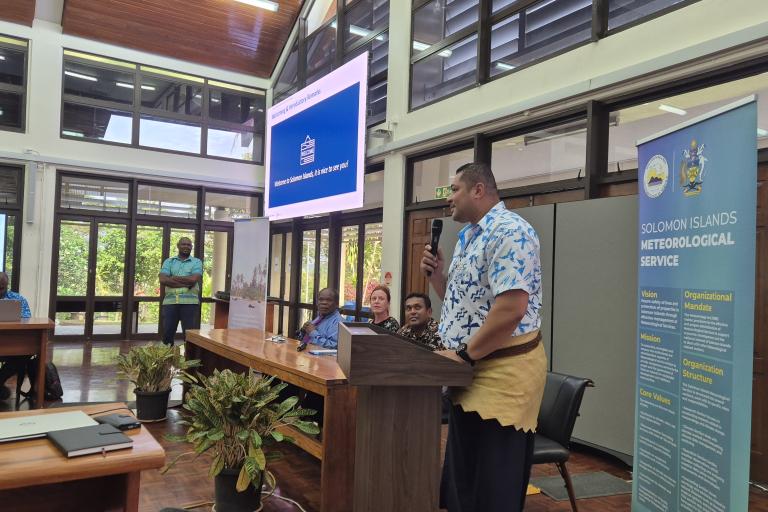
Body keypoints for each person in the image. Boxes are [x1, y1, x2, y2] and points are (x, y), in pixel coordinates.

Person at [421, 162, 547, 512]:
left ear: (478, 190)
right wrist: (437, 279)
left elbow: (511, 309)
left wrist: (464, 356)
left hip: (501, 376)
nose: (449, 199)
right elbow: (468, 307)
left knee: (491, 487)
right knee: (465, 482)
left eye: (454, 190)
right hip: (469, 370)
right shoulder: (468, 236)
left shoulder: (510, 231)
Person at [159, 237, 202, 346]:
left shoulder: (196, 262)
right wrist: (186, 283)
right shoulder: (169, 261)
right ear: (178, 246)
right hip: (170, 303)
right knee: (167, 334)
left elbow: (194, 280)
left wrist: (173, 278)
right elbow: (163, 279)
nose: (186, 246)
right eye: (183, 244)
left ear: (191, 247)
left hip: (190, 304)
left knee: (190, 335)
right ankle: (166, 360)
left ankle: (190, 360)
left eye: (188, 245)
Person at [0, 272, 31, 400]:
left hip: (12, 341)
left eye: (1, 287)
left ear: (7, 285)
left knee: (25, 353)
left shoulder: (18, 299)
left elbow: (27, 318)